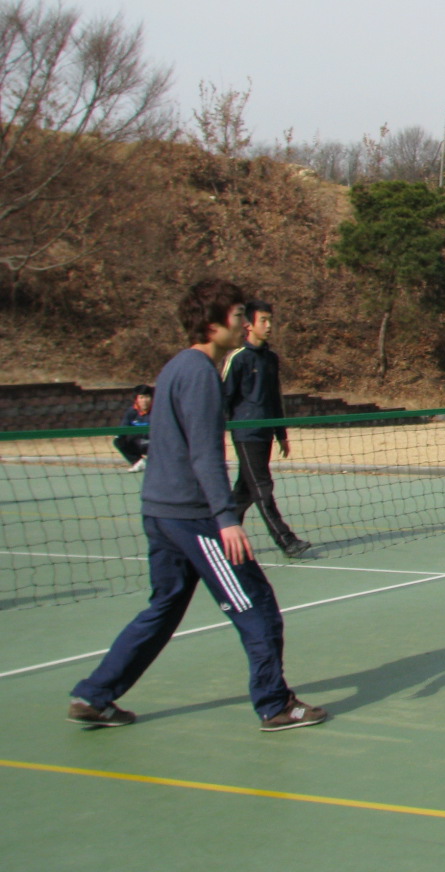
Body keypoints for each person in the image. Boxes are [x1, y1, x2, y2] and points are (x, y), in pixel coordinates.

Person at [66, 279, 328, 732]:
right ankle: (274, 705)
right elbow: (204, 453)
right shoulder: (202, 373)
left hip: (159, 513)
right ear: (212, 324)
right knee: (257, 605)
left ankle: (94, 694)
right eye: (238, 315)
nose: (245, 322)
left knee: (164, 607)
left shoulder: (174, 367)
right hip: (193, 518)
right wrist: (226, 519)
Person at [223, 299, 312, 559]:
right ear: (248, 325)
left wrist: (281, 434)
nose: (269, 325)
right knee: (262, 486)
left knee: (245, 490)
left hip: (265, 433)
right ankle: (286, 540)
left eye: (270, 320)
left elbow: (274, 399)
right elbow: (223, 397)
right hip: (246, 434)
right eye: (264, 320)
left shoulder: (271, 359)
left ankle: (219, 536)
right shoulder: (238, 358)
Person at [112, 385, 154, 471]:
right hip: (138, 443)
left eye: (147, 397)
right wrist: (119, 437)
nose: (144, 400)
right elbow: (123, 428)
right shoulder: (131, 412)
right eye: (141, 397)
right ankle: (138, 462)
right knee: (118, 441)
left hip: (154, 444)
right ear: (136, 399)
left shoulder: (159, 411)